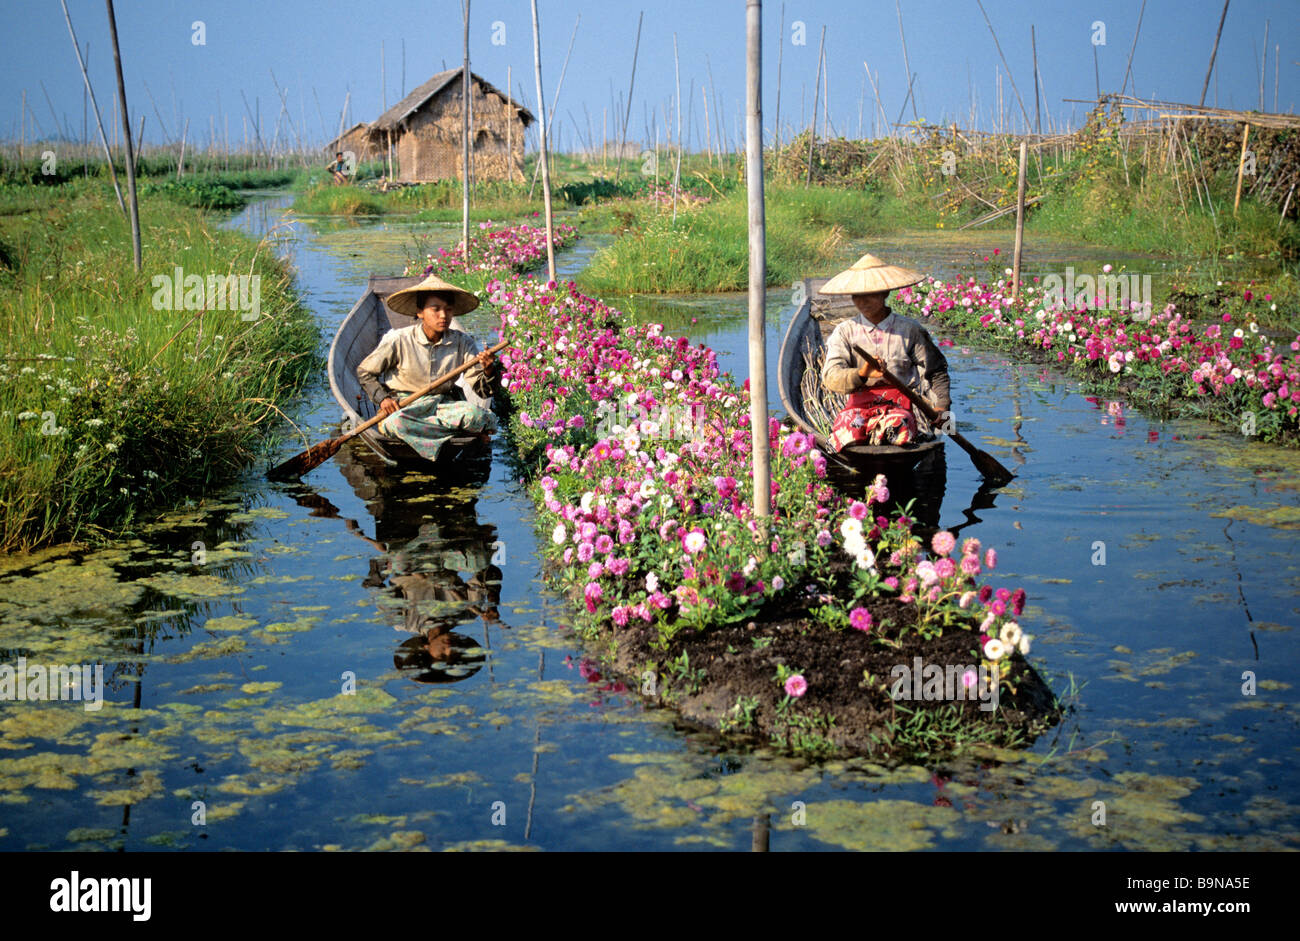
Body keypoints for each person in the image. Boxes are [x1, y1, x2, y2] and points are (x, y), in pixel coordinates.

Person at [356, 273, 499, 462]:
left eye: (448, 310)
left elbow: (483, 391)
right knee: (397, 424)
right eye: (435, 309)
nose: (443, 315)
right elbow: (364, 372)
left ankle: (438, 434)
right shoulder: (399, 339)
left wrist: (488, 370)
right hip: (405, 407)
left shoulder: (462, 342)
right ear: (420, 312)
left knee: (477, 416)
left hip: (443, 406)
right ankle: (458, 433)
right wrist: (382, 399)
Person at [819, 253, 951, 450]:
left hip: (900, 406)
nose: (862, 301)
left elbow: (936, 370)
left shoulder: (909, 330)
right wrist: (862, 373)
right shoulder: (845, 331)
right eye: (857, 295)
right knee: (848, 431)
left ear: (885, 293)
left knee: (899, 427)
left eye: (870, 294)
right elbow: (831, 376)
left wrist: (942, 407)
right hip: (859, 406)